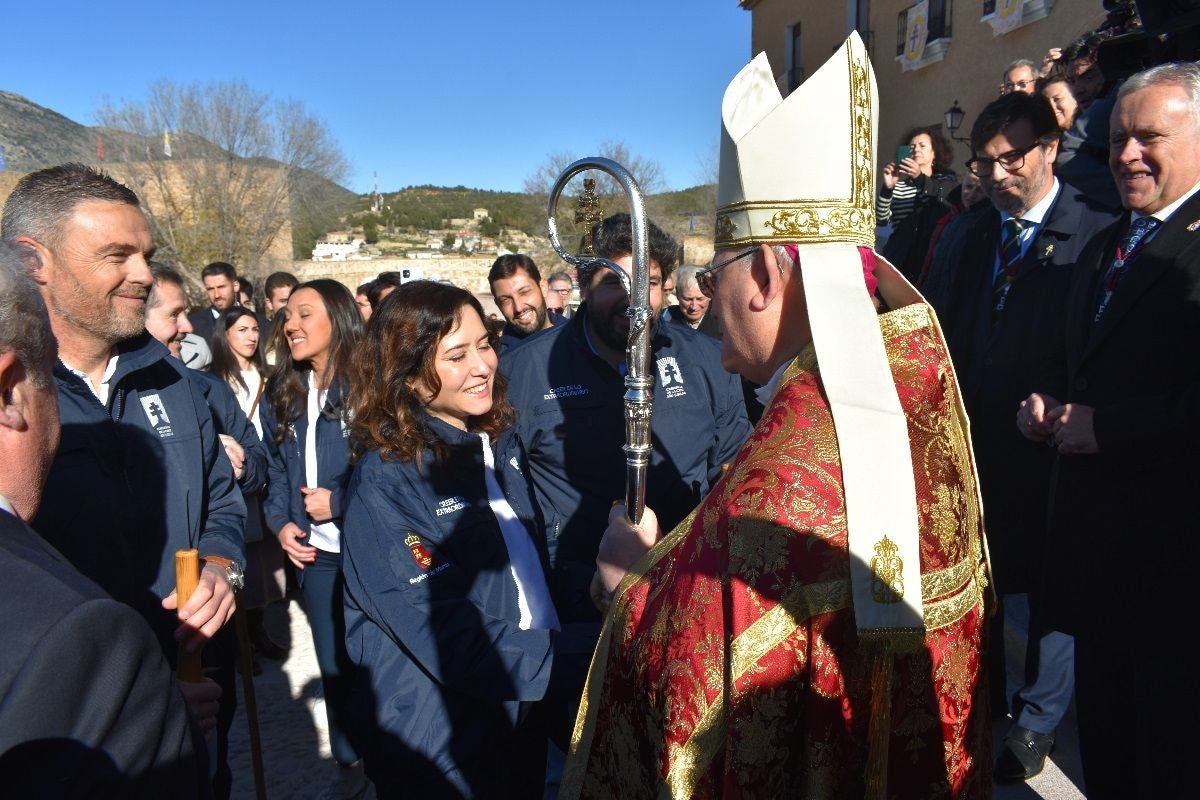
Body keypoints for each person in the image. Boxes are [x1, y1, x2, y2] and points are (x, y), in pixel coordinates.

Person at [561, 34, 990, 798]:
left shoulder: (785, 482)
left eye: (711, 274)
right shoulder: (918, 398)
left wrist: (630, 585)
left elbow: (689, 693)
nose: (706, 299)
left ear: (761, 274)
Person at [2, 163, 246, 794]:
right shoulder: (13, 398)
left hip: (200, 702)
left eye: (147, 255)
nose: (144, 275)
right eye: (117, 256)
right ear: (36, 262)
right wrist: (140, 700)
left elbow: (222, 500)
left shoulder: (180, 385)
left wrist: (223, 568)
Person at [1017, 61, 1200, 800]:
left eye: (1147, 137)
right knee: (1112, 760)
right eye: (1118, 138)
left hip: (1176, 585)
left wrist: (1111, 430)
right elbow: (1074, 367)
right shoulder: (1103, 247)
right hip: (1098, 573)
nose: (1125, 154)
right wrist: (1044, 407)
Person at [501, 212, 753, 743]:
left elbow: (732, 475)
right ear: (584, 289)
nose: (635, 296)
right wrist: (570, 584)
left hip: (687, 603)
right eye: (613, 281)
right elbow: (511, 505)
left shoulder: (710, 362)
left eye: (650, 282)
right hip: (581, 612)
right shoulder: (526, 372)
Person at [924, 91, 1117, 783]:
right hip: (971, 451)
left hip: (1053, 455)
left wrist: (1068, 406)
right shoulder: (970, 236)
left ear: (1051, 149)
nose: (997, 174)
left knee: (1047, 599)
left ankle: (1036, 722)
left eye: (1012, 158)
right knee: (985, 589)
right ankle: (986, 707)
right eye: (984, 162)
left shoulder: (1097, 232)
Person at [341, 281, 560, 798]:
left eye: (484, 344)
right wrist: (576, 658)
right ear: (411, 376)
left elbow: (523, 574)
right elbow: (446, 634)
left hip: (517, 711)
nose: (482, 365)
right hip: (445, 745)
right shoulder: (388, 480)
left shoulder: (493, 446)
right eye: (456, 355)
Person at [259, 279, 368, 798]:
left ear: (339, 319)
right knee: (332, 661)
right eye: (286, 316)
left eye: (305, 313)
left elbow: (394, 470)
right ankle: (349, 751)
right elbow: (279, 472)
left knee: (374, 656)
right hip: (317, 555)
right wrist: (280, 523)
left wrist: (340, 503)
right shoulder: (284, 391)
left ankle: (391, 748)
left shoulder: (372, 386)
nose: (291, 325)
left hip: (370, 552)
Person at [208, 303, 288, 667]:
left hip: (267, 472)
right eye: (242, 329)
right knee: (236, 558)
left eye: (255, 329)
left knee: (263, 565)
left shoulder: (270, 376)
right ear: (224, 335)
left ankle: (257, 631)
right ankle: (241, 640)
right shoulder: (211, 381)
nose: (252, 336)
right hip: (236, 481)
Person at [877, 126, 958, 282]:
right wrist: (887, 188)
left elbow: (938, 204)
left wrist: (919, 177)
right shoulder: (899, 185)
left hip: (929, 259)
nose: (916, 150)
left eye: (922, 146)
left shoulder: (945, 184)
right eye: (912, 146)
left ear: (935, 153)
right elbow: (882, 219)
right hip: (899, 259)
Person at [488, 253, 563, 353]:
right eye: (506, 300)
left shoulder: (580, 337)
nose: (518, 308)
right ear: (498, 304)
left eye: (524, 292)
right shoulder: (500, 362)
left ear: (543, 288)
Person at [662, 264, 720, 338]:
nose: (694, 307)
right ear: (677, 293)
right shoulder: (664, 319)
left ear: (710, 294)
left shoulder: (722, 322)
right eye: (688, 299)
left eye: (700, 299)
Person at [188, 261, 239, 342]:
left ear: (236, 286)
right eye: (210, 289)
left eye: (221, 287)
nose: (216, 295)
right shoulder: (193, 326)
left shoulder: (260, 323)